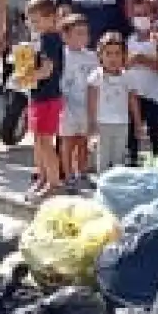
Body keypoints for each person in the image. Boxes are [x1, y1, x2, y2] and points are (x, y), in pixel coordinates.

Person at [22, 0, 66, 199]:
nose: (33, 25)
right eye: (31, 21)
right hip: (38, 96)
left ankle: (54, 182)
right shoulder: (40, 39)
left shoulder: (50, 39)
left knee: (46, 142)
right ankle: (42, 176)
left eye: (37, 20)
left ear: (51, 18)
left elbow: (47, 70)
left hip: (48, 97)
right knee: (38, 141)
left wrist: (29, 75)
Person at [123, 0, 158, 164]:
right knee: (132, 129)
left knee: (154, 129)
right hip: (134, 93)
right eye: (137, 14)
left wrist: (141, 59)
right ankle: (132, 160)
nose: (140, 18)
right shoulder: (130, 40)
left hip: (154, 93)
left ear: (154, 15)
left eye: (144, 14)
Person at [87, 33, 138, 175]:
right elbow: (92, 99)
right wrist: (91, 122)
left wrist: (138, 123)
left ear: (123, 56)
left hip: (122, 123)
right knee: (102, 156)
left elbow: (132, 99)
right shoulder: (96, 75)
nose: (113, 58)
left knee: (119, 157)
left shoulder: (127, 76)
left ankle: (116, 185)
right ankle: (102, 182)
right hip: (102, 123)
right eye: (108, 53)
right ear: (100, 55)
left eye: (117, 53)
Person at [58, 14, 97, 188]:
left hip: (86, 106)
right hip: (66, 105)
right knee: (68, 141)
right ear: (65, 36)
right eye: (78, 33)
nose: (83, 37)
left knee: (83, 141)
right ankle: (67, 175)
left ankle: (81, 171)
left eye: (85, 33)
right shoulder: (61, 56)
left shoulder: (92, 57)